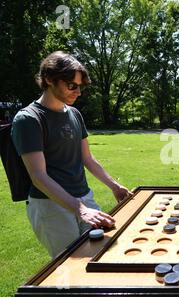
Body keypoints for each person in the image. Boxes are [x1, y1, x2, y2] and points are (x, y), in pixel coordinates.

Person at [11, 51, 132, 258]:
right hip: (50, 205)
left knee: (102, 252)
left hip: (84, 197)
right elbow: (38, 177)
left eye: (80, 86)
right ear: (49, 79)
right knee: (70, 265)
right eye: (71, 85)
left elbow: (87, 158)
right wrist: (81, 210)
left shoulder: (75, 114)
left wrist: (114, 186)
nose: (78, 92)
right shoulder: (28, 119)